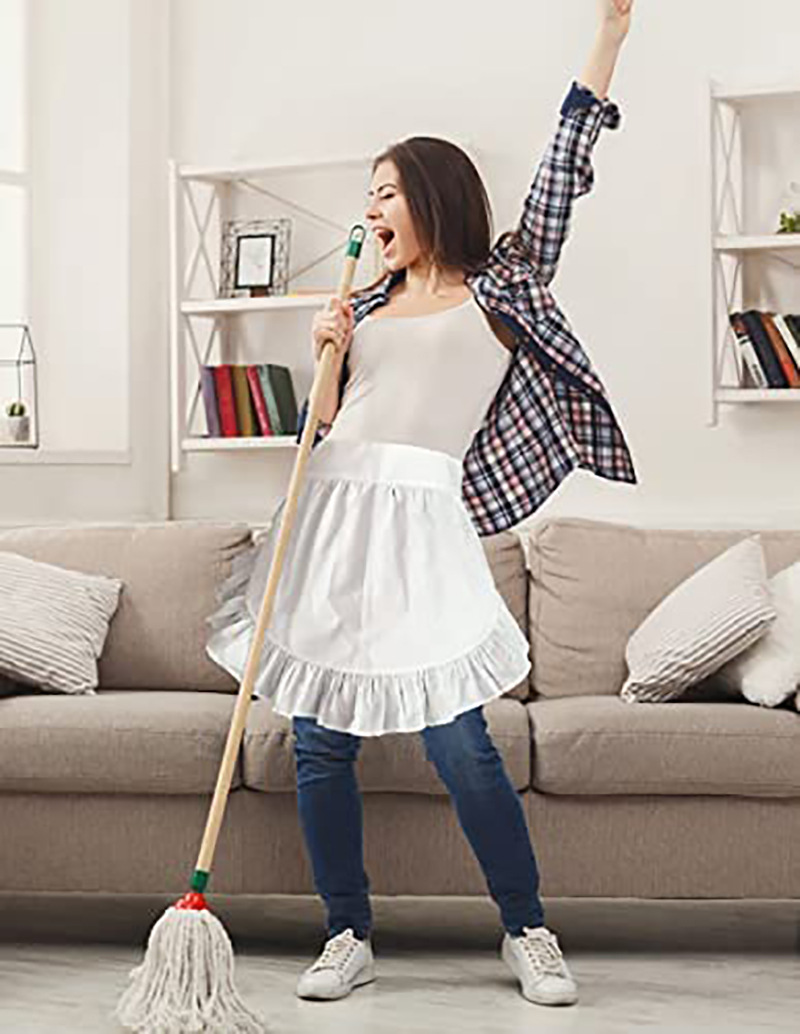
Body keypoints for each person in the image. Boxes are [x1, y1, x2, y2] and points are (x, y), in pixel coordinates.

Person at [205, 0, 635, 1009]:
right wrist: (324, 347)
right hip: (331, 514)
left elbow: (561, 170)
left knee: (459, 739)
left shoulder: (502, 286)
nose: (370, 211)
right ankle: (345, 931)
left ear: (433, 197)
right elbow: (319, 429)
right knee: (319, 741)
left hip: (425, 520)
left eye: (385, 192)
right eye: (366, 197)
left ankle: (527, 929)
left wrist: (608, 38)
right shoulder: (359, 304)